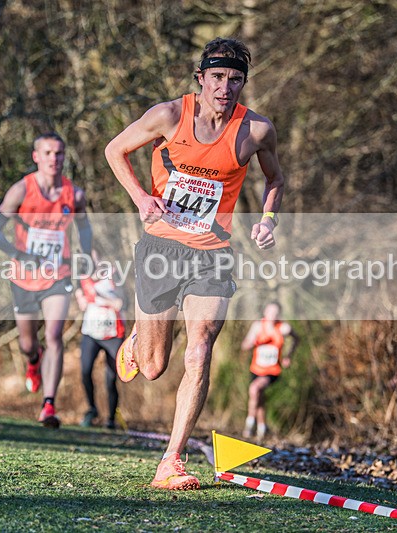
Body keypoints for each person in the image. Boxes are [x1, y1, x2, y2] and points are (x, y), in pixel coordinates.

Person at [105, 37, 286, 490]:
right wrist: (142, 197)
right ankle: (138, 341)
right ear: (201, 78)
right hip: (161, 249)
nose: (226, 88)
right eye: (218, 77)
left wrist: (267, 219)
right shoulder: (168, 115)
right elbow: (114, 150)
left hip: (212, 254)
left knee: (201, 346)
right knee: (152, 366)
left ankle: (171, 460)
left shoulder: (257, 131)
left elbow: (275, 177)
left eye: (236, 79)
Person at [0, 132, 92, 428]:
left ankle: (48, 405)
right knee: (27, 343)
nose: (53, 159)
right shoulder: (21, 190)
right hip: (23, 277)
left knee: (55, 335)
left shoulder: (76, 195)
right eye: (47, 153)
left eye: (58, 153)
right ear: (36, 156)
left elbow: (85, 230)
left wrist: (85, 257)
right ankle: (34, 360)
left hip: (58, 276)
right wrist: (17, 254)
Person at [74, 252, 125, 429]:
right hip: (91, 332)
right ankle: (92, 409)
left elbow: (120, 302)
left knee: (111, 378)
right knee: (85, 371)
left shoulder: (114, 273)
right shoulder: (82, 278)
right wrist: (82, 295)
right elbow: (82, 304)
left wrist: (99, 299)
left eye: (93, 255)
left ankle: (110, 418)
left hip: (113, 333)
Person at [240, 301, 298, 441]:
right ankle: (261, 429)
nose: (272, 315)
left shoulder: (283, 328)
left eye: (275, 313)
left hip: (272, 371)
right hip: (256, 369)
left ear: (279, 314)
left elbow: (297, 339)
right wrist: (253, 341)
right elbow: (245, 346)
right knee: (258, 398)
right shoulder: (258, 326)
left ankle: (249, 425)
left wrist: (288, 356)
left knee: (254, 389)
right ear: (265, 312)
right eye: (270, 312)